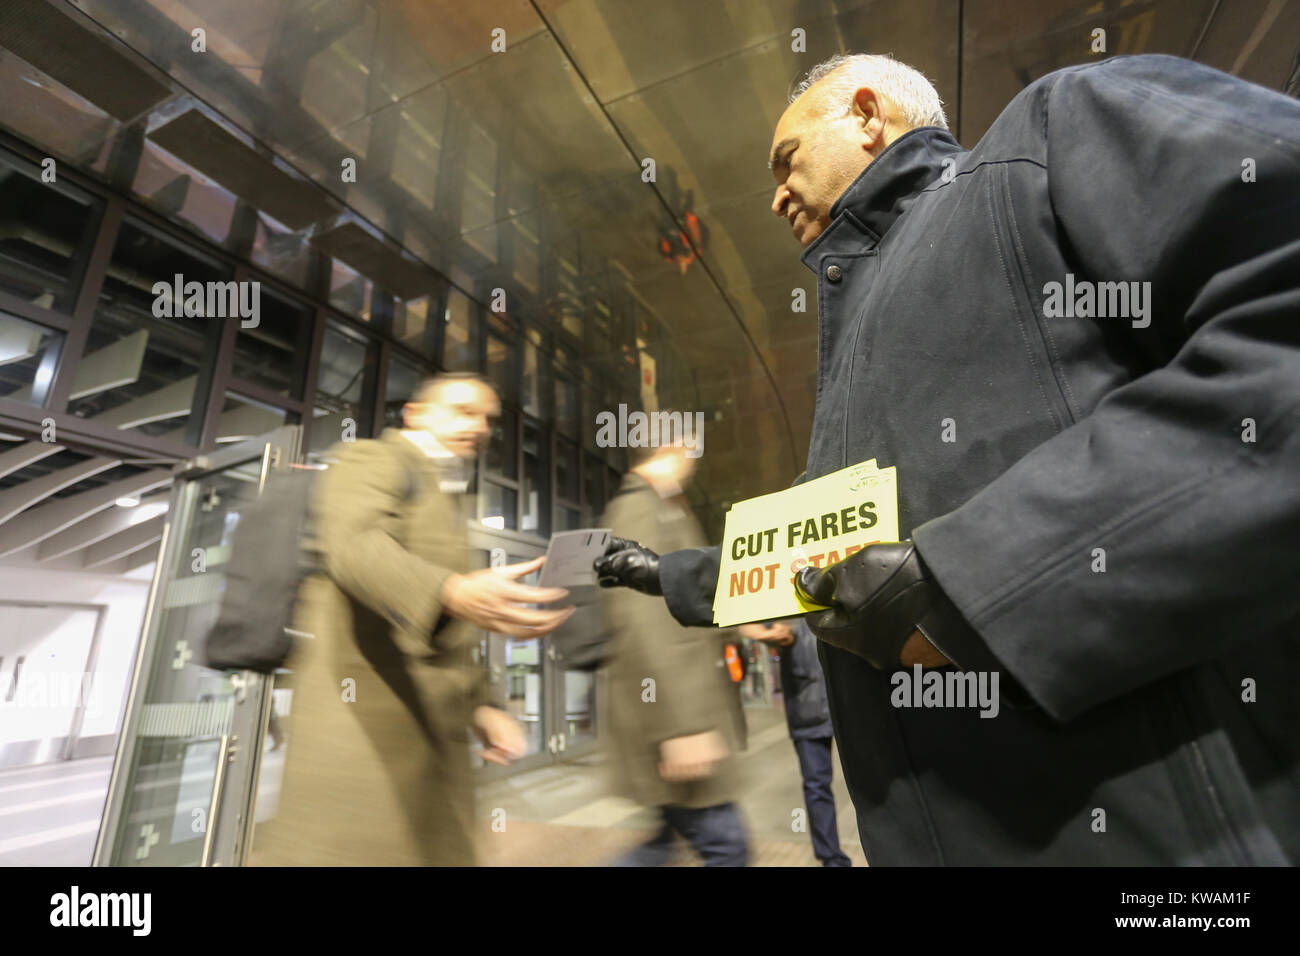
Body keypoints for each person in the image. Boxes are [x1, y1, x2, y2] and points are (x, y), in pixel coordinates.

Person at [597, 53, 1300, 865]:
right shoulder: (856, 343)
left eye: (786, 161)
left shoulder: (1051, 133)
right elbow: (809, 544)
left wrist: (973, 584)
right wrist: (670, 574)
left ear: (867, 114)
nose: (775, 195)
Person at [253, 373, 573, 866]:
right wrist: (451, 590)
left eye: (487, 417)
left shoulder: (445, 493)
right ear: (415, 414)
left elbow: (448, 636)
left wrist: (482, 706)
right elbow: (354, 546)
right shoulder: (372, 459)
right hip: (363, 735)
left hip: (425, 738)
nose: (479, 426)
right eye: (463, 410)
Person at [600, 441, 750, 867]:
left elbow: (686, 600)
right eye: (686, 449)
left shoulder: (663, 505)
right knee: (726, 848)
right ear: (665, 449)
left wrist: (740, 624)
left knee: (661, 846)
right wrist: (682, 727)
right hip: (676, 721)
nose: (692, 459)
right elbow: (645, 623)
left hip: (676, 721)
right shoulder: (641, 509)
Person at [742, 618, 851, 867]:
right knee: (816, 785)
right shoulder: (779, 595)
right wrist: (768, 633)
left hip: (848, 700)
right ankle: (831, 859)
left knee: (873, 782)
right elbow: (743, 623)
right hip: (807, 703)